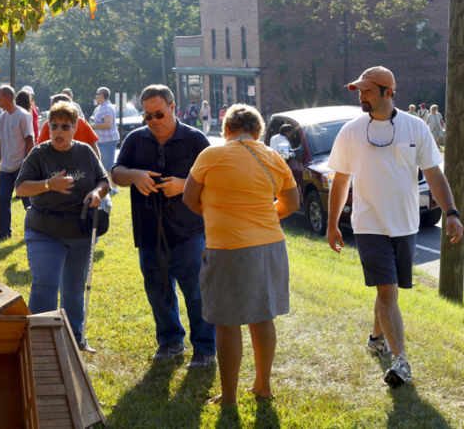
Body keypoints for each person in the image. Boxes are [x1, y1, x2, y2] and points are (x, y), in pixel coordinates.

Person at [326, 66, 463, 388]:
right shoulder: (351, 131)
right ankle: (401, 361)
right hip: (368, 223)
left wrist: (452, 213)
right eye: (359, 91)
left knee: (387, 287)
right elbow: (341, 180)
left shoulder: (415, 128)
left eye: (367, 91)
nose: (361, 96)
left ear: (388, 92)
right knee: (387, 290)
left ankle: (376, 337)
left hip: (405, 224)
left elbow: (433, 173)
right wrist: (333, 224)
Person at [183, 103, 300, 406]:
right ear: (258, 131)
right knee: (262, 317)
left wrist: (219, 214)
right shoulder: (273, 157)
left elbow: (189, 198)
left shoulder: (211, 154)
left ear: (227, 130)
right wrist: (260, 216)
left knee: (227, 321)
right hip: (270, 245)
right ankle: (263, 386)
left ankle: (230, 397)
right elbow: (291, 203)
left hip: (228, 247)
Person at [112, 84, 216, 368]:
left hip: (189, 231)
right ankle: (170, 341)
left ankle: (205, 348)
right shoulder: (135, 140)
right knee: (158, 291)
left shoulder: (195, 140)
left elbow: (215, 182)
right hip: (148, 232)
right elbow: (116, 173)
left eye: (158, 114)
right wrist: (134, 175)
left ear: (172, 107)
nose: (153, 121)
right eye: (147, 116)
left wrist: (185, 185)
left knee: (196, 292)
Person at [16, 101, 109, 348]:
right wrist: (48, 185)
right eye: (54, 125)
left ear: (75, 127)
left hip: (79, 230)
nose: (58, 131)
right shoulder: (39, 153)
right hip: (43, 229)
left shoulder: (85, 152)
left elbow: (104, 180)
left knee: (74, 289)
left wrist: (97, 193)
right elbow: (21, 188)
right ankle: (40, 341)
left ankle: (74, 339)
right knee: (45, 284)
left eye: (65, 127)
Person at [0, 86, 34, 241]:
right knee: (3, 200)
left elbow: (30, 142)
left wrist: (28, 165)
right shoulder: (2, 118)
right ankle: (4, 233)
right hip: (6, 168)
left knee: (28, 201)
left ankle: (34, 231)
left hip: (22, 166)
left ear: (8, 97)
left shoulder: (22, 115)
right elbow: (0, 145)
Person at [38, 94, 100, 159]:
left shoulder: (48, 125)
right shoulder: (82, 122)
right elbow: (93, 146)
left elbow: (40, 148)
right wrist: (97, 163)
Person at [90, 87, 119, 193]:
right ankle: (109, 186)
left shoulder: (106, 107)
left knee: (108, 165)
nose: (96, 96)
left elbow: (108, 124)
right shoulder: (100, 107)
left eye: (97, 94)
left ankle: (114, 188)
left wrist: (93, 126)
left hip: (108, 140)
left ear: (102, 95)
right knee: (103, 165)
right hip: (102, 141)